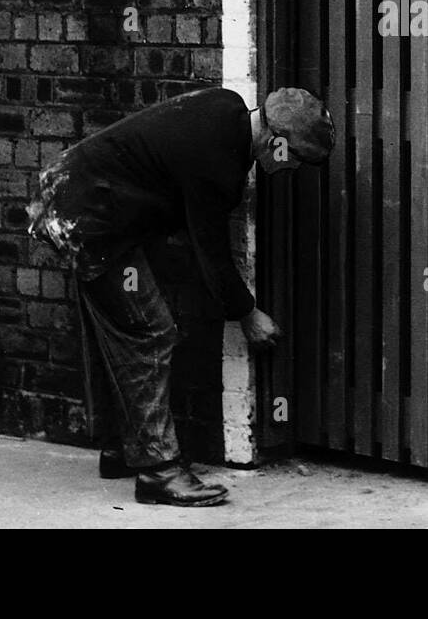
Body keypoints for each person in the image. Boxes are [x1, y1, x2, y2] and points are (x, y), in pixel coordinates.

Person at [26, 86, 334, 507]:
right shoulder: (219, 165)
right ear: (275, 141)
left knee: (122, 336)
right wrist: (247, 314)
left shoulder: (227, 107)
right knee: (150, 333)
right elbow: (210, 253)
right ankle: (159, 471)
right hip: (86, 216)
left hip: (74, 193)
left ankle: (120, 449)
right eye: (294, 159)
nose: (290, 169)